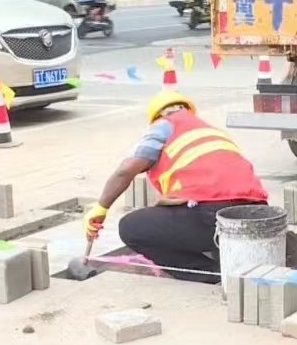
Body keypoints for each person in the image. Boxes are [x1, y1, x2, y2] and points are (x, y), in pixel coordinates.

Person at [83, 91, 269, 283]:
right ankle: (233, 261)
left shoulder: (164, 126)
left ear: (158, 115)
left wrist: (101, 207)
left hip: (213, 215)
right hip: (258, 215)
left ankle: (213, 273)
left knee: (131, 228)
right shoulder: (210, 130)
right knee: (184, 215)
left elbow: (125, 171)